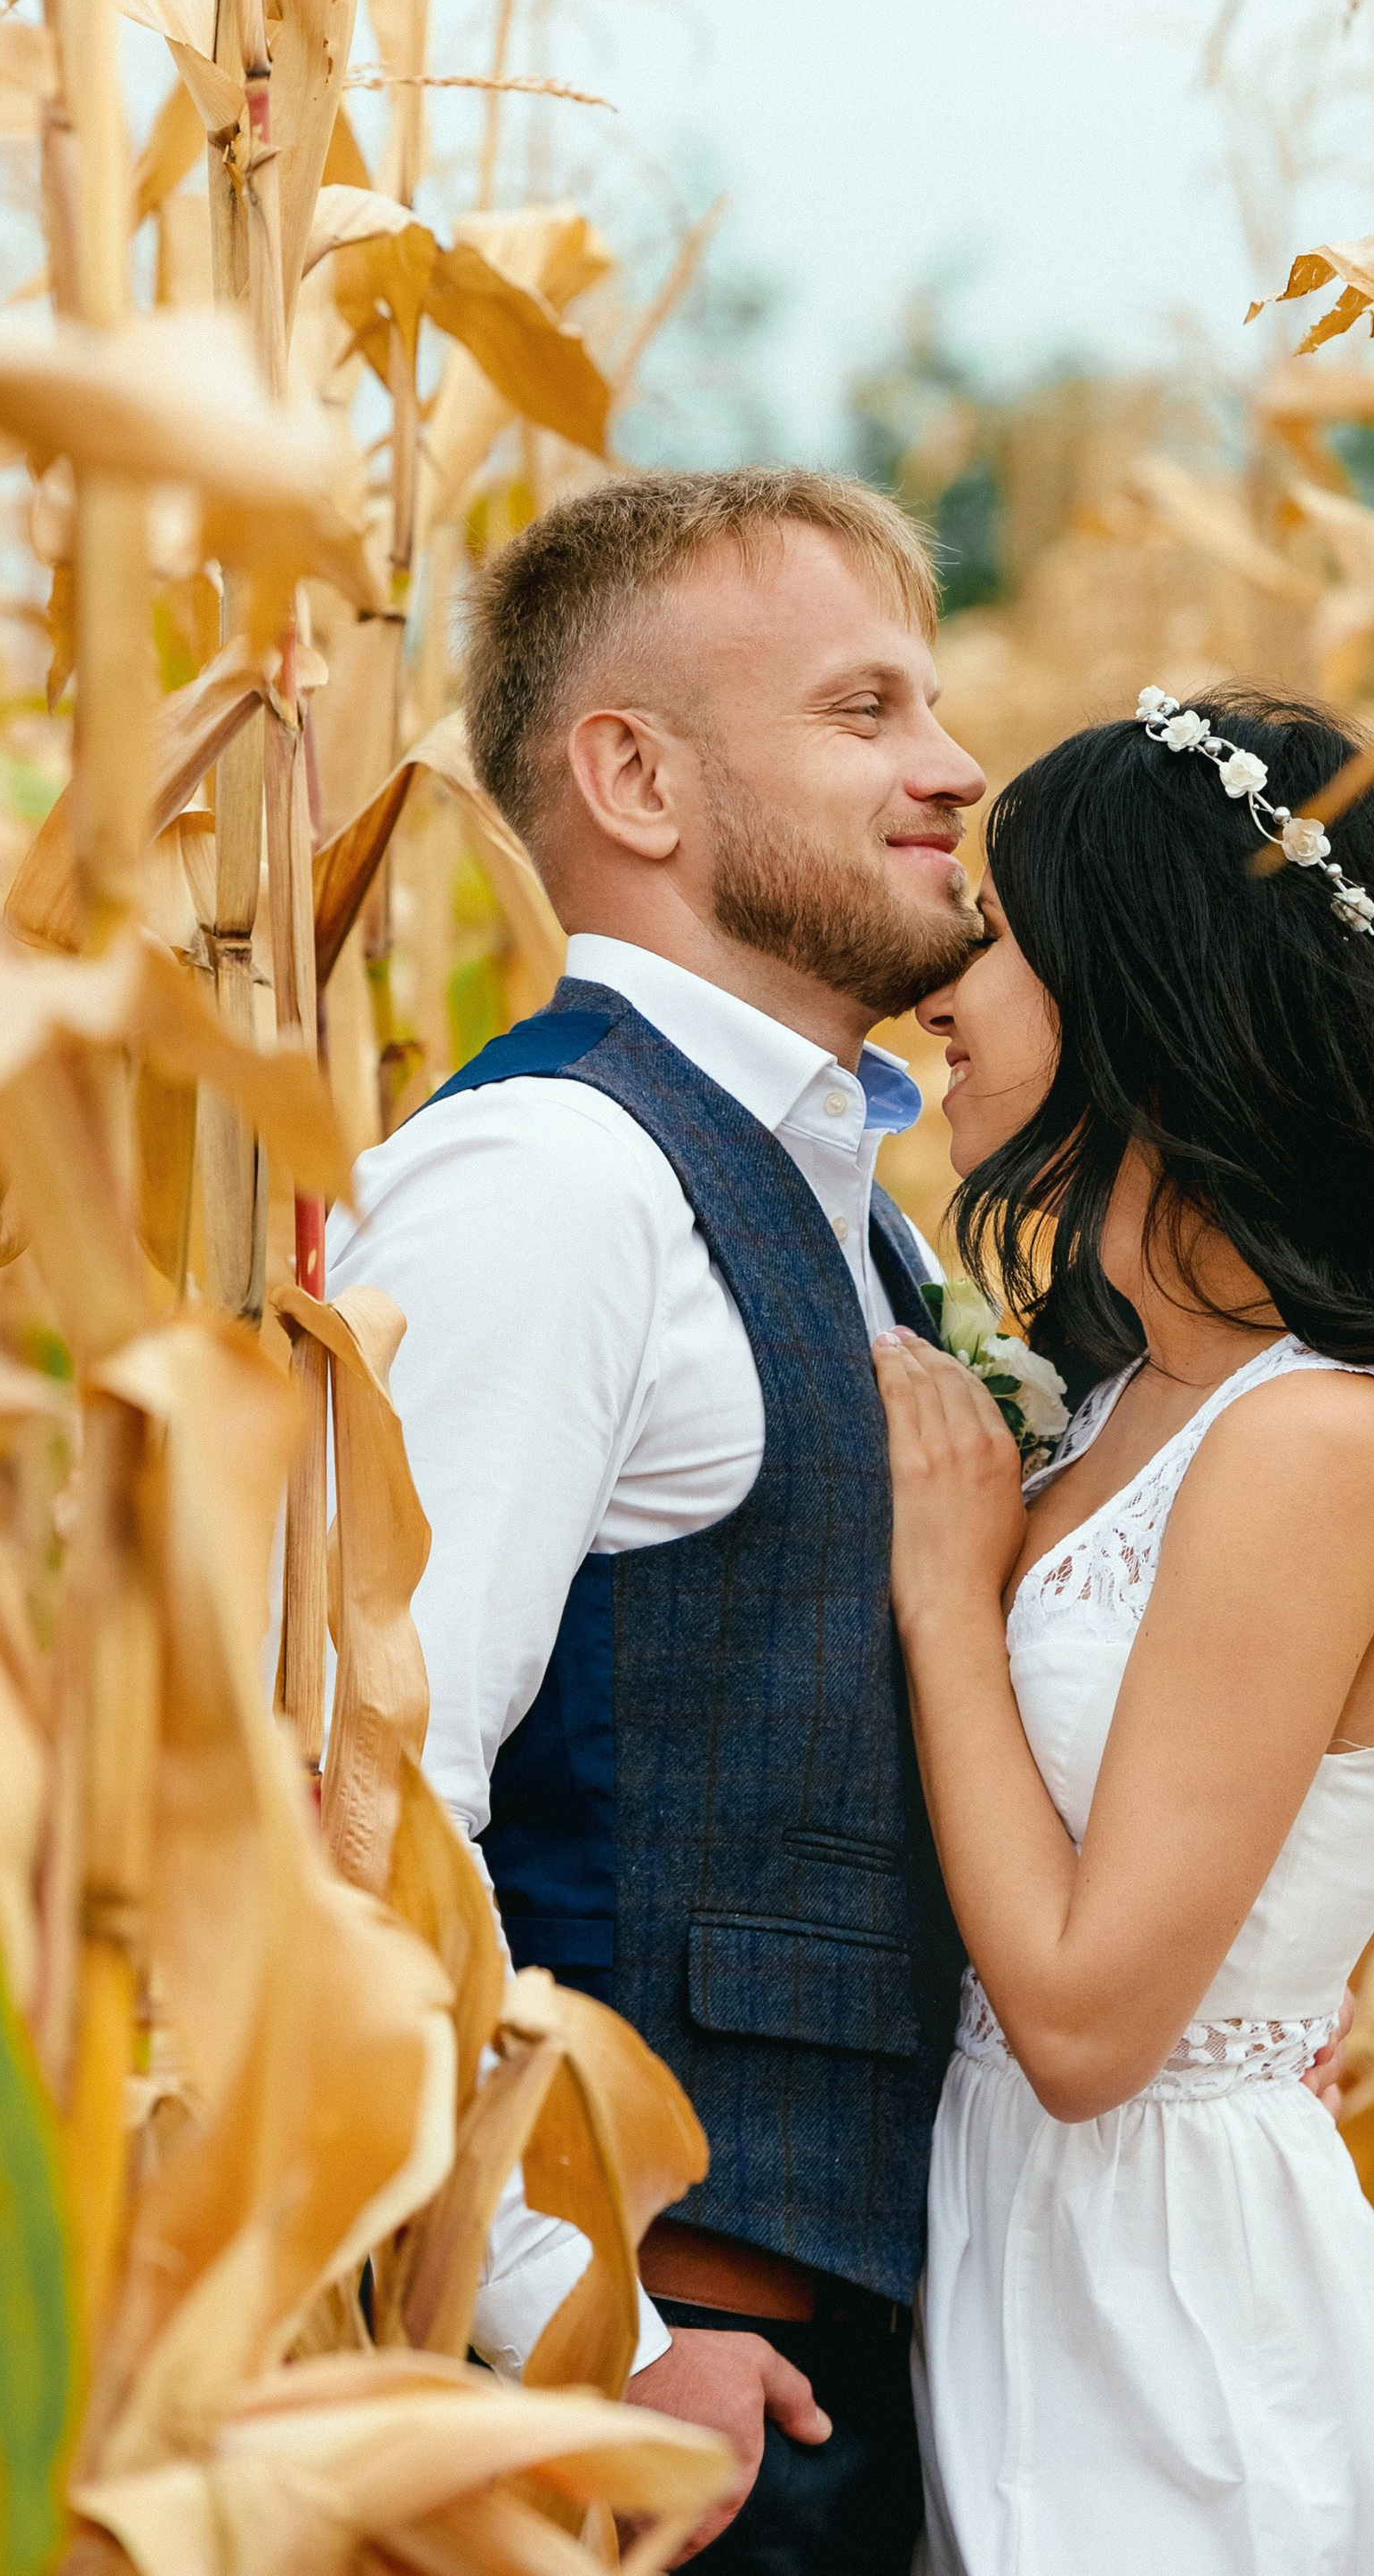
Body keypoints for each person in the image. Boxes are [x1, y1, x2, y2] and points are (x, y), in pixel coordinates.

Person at [872, 686, 1374, 2576]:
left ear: (1144, 982)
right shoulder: (1134, 1391)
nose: (939, 987)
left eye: (999, 934)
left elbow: (1085, 2022)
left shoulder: (1321, 1440)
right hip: (1028, 2256)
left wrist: (945, 1594)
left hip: (1168, 2339)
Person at [328, 467, 988, 2570]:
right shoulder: (553, 1181)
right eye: (863, 709)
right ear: (633, 777)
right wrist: (577, 2324)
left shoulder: (846, 1211)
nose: (951, 766)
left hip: (836, 2377)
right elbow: (354, 1784)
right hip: (660, 2413)